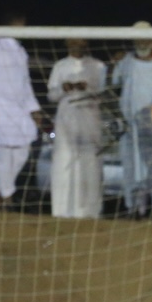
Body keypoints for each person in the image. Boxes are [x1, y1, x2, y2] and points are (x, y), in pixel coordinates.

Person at [0, 14, 42, 211]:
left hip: (19, 109)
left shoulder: (20, 50)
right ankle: (5, 198)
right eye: (20, 24)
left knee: (23, 149)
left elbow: (25, 81)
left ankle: (1, 194)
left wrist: (34, 108)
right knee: (0, 155)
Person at [112, 25, 152, 218]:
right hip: (129, 124)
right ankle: (134, 207)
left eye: (144, 38)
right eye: (137, 38)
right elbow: (114, 84)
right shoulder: (125, 61)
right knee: (132, 165)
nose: (141, 42)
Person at [46, 38, 106, 219]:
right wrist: (63, 89)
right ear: (67, 44)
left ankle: (90, 211)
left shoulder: (98, 66)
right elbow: (51, 95)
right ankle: (62, 210)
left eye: (80, 42)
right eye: (72, 42)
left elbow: (103, 92)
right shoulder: (60, 66)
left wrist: (87, 88)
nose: (76, 45)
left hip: (89, 116)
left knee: (90, 162)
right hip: (66, 118)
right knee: (64, 161)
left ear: (86, 43)